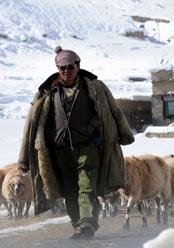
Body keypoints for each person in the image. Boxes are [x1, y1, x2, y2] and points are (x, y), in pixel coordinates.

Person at [17, 46, 135, 240]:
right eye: (62, 68)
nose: (66, 71)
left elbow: (111, 111)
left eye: (70, 67)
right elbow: (31, 124)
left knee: (87, 184)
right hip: (59, 150)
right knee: (69, 189)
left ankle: (88, 222)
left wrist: (99, 128)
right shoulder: (47, 92)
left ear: (78, 65)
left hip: (88, 146)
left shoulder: (95, 87)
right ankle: (78, 225)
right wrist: (25, 158)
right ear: (57, 68)